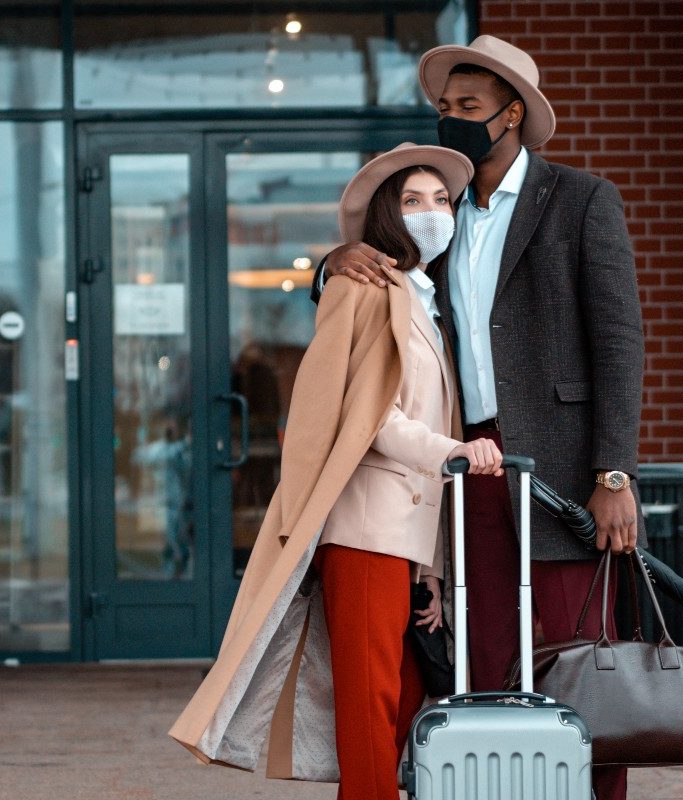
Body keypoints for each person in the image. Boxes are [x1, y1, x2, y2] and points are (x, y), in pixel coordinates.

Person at [312, 36, 646, 800]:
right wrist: (332, 261)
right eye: (443, 109)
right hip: (468, 460)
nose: (452, 120)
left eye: (468, 108)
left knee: (579, 652)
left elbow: (620, 340)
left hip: (565, 466)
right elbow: (386, 282)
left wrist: (615, 470)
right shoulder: (442, 211)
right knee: (487, 646)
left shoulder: (579, 199)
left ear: (512, 113)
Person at [169, 143, 504, 800]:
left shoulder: (433, 304)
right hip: (363, 530)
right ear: (387, 214)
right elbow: (365, 416)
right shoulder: (363, 286)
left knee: (405, 701)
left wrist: (432, 567)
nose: (432, 213)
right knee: (369, 706)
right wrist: (452, 452)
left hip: (407, 540)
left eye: (441, 201)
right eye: (413, 201)